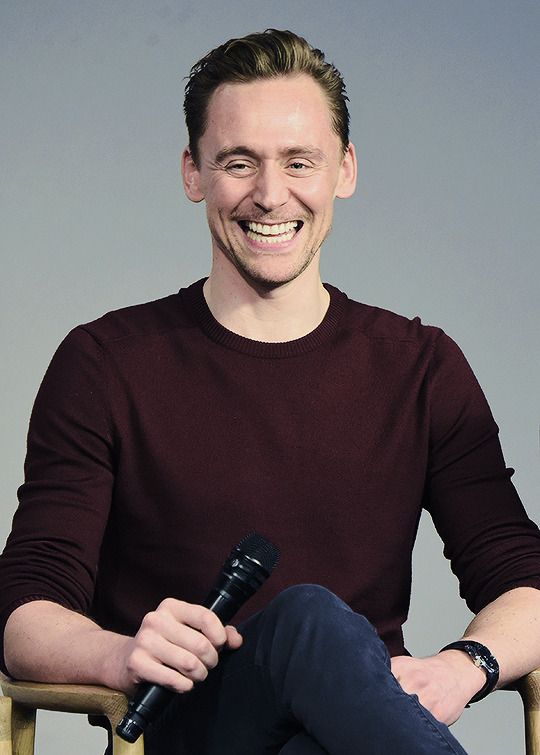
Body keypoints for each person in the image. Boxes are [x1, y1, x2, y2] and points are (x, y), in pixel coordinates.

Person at [1, 29, 540, 755]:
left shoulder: (422, 367)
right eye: (238, 162)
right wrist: (119, 654)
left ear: (344, 169)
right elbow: (25, 607)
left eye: (298, 161)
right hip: (186, 732)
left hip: (353, 735)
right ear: (193, 173)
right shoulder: (104, 364)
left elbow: (523, 578)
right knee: (308, 619)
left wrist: (465, 664)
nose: (269, 193)